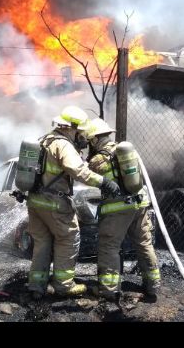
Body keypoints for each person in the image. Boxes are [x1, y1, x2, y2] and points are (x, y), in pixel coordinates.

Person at [26, 106, 120, 299]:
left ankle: (36, 285)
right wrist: (103, 182)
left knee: (42, 243)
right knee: (69, 239)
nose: (82, 136)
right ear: (72, 127)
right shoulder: (63, 145)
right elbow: (77, 171)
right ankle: (64, 285)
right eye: (80, 132)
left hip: (36, 201)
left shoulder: (44, 140)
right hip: (54, 203)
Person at [85, 118, 161, 302]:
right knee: (144, 243)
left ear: (94, 140)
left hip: (118, 209)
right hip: (140, 204)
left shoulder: (98, 159)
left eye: (89, 141)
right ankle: (152, 285)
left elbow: (86, 175)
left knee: (109, 246)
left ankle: (109, 289)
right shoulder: (126, 151)